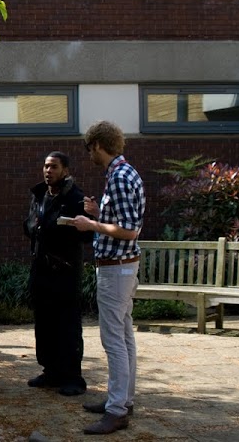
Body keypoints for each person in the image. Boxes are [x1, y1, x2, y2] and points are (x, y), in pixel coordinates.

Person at [71, 121, 145, 435]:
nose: (90, 155)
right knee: (124, 336)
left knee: (113, 339)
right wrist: (100, 215)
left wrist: (91, 225)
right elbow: (124, 221)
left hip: (116, 267)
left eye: (90, 149)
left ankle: (116, 410)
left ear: (99, 145)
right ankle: (122, 401)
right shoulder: (127, 173)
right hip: (123, 265)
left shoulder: (118, 176)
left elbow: (130, 230)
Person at [24, 152, 91, 396]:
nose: (48, 171)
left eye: (53, 167)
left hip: (64, 271)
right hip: (41, 270)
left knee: (67, 326)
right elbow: (29, 224)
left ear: (65, 170)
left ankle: (73, 377)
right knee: (44, 324)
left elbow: (87, 234)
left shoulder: (75, 197)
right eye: (45, 166)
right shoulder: (39, 195)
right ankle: (50, 371)